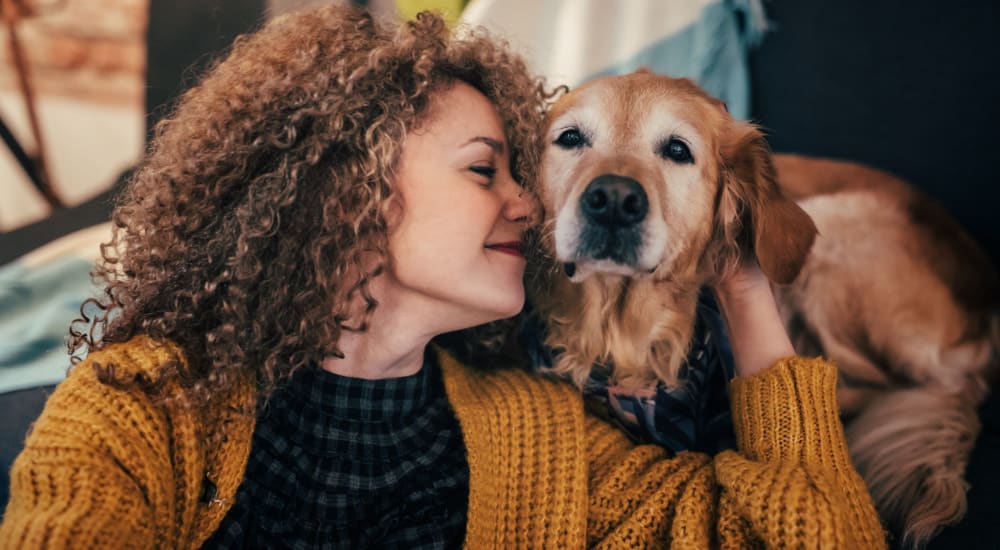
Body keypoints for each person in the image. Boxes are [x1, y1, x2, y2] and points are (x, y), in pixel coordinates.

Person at [0, 5, 886, 548]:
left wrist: (741, 281)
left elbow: (817, 535)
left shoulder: (543, 440)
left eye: (518, 169)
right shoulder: (144, 402)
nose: (533, 205)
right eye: (485, 170)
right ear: (349, 195)